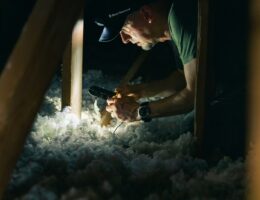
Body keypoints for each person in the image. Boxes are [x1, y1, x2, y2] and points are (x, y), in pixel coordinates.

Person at [94, 0, 197, 123]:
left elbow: (195, 94)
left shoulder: (180, 17)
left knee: (188, 125)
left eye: (125, 29)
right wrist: (139, 91)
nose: (125, 40)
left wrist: (138, 113)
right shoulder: (172, 25)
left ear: (147, 14)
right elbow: (183, 80)